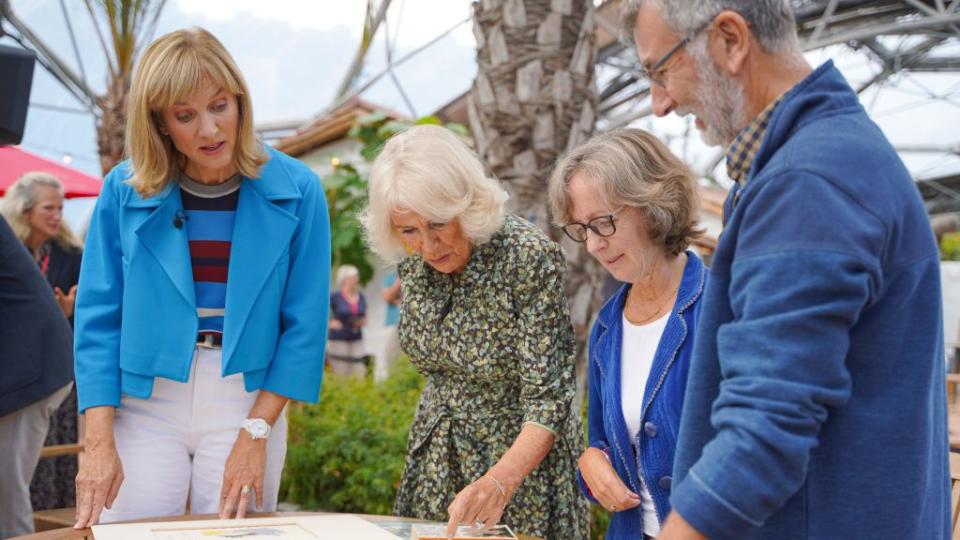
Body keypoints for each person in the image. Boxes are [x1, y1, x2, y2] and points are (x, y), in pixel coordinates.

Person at [625, 1, 949, 538]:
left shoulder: (808, 182)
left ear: (730, 40)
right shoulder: (826, 159)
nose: (660, 103)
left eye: (662, 71)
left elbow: (765, 427)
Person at [72, 27, 330, 528]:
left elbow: (304, 327)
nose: (210, 130)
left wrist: (256, 431)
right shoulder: (122, 191)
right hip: (142, 402)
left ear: (239, 100)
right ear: (161, 124)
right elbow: (98, 320)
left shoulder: (300, 190)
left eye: (219, 106)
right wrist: (97, 440)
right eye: (186, 115)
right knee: (130, 535)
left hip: (248, 399)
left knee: (237, 535)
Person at [362, 125, 589, 539]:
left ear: (464, 203)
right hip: (438, 459)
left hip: (518, 469)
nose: (428, 247)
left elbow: (549, 399)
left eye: (437, 224)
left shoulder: (526, 257)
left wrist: (500, 481)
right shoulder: (414, 262)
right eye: (409, 231)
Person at [548, 128, 707, 539]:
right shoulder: (607, 325)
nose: (595, 245)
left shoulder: (721, 308)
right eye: (582, 229)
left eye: (604, 222)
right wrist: (592, 462)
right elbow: (604, 442)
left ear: (653, 205)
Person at [1, 172, 83, 513]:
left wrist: (67, 312)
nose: (56, 216)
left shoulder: (70, 254)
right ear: (25, 210)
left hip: (36, 371)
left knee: (8, 485)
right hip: (28, 366)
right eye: (49, 208)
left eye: (60, 209)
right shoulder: (17, 248)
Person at [327, 264, 368, 377]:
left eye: (356, 277)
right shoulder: (334, 297)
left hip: (356, 338)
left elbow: (364, 314)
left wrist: (363, 321)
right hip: (339, 339)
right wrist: (330, 324)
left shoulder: (361, 296)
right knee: (341, 372)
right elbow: (321, 312)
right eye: (354, 277)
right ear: (345, 279)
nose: (357, 280)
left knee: (359, 370)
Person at [377, 269, 402, 381]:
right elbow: (387, 297)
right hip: (393, 323)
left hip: (413, 325)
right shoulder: (391, 277)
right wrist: (399, 281)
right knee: (390, 357)